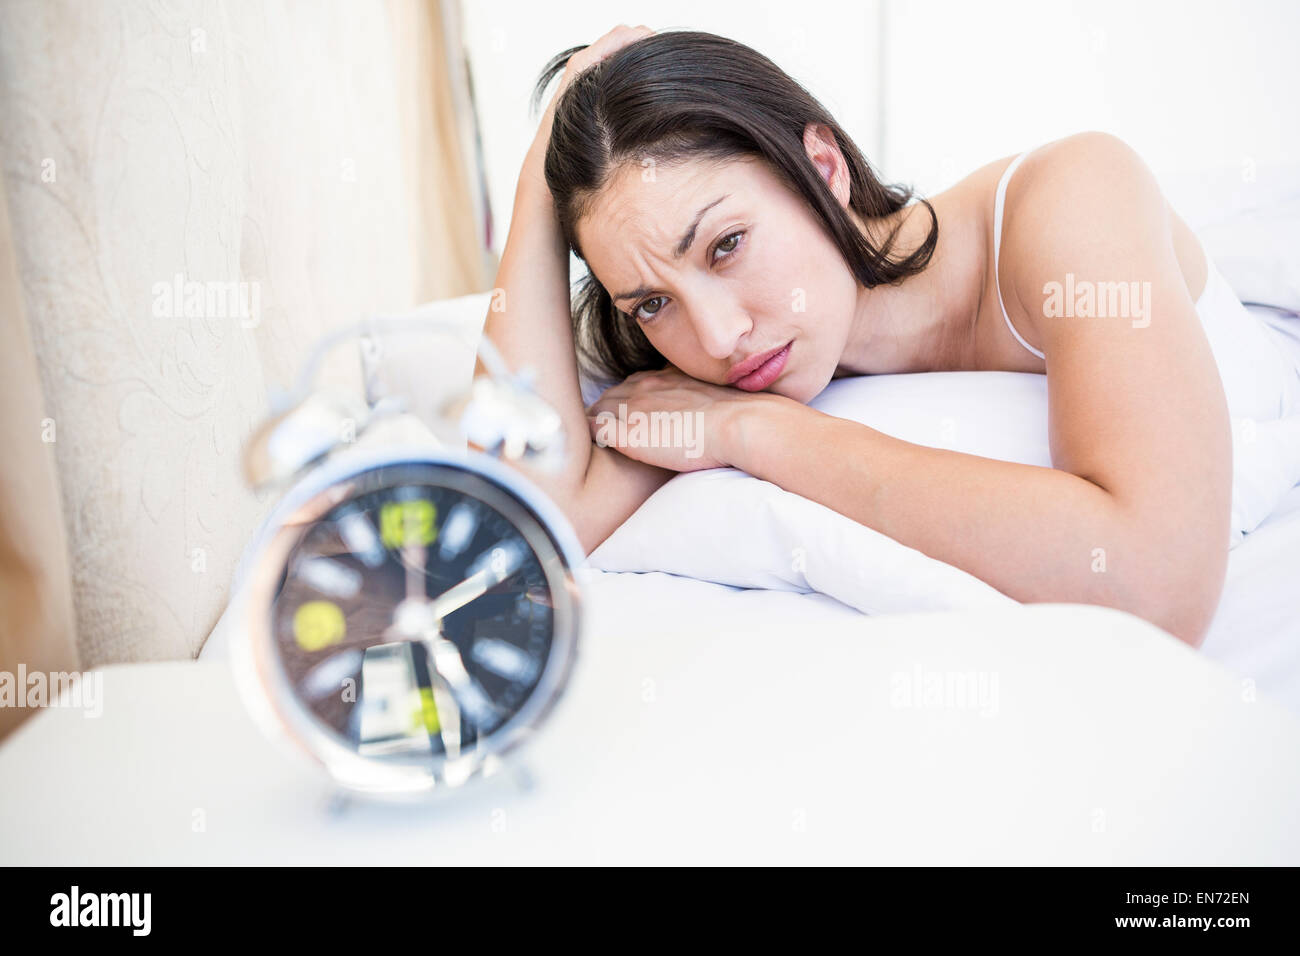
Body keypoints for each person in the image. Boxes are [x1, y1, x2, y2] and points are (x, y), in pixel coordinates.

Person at [475, 26, 1300, 649]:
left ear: (823, 170)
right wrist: (540, 185)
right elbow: (523, 523)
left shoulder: (1072, 199)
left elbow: (1155, 584)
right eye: (650, 302)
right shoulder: (725, 351)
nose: (718, 334)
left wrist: (760, 433)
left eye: (727, 245)